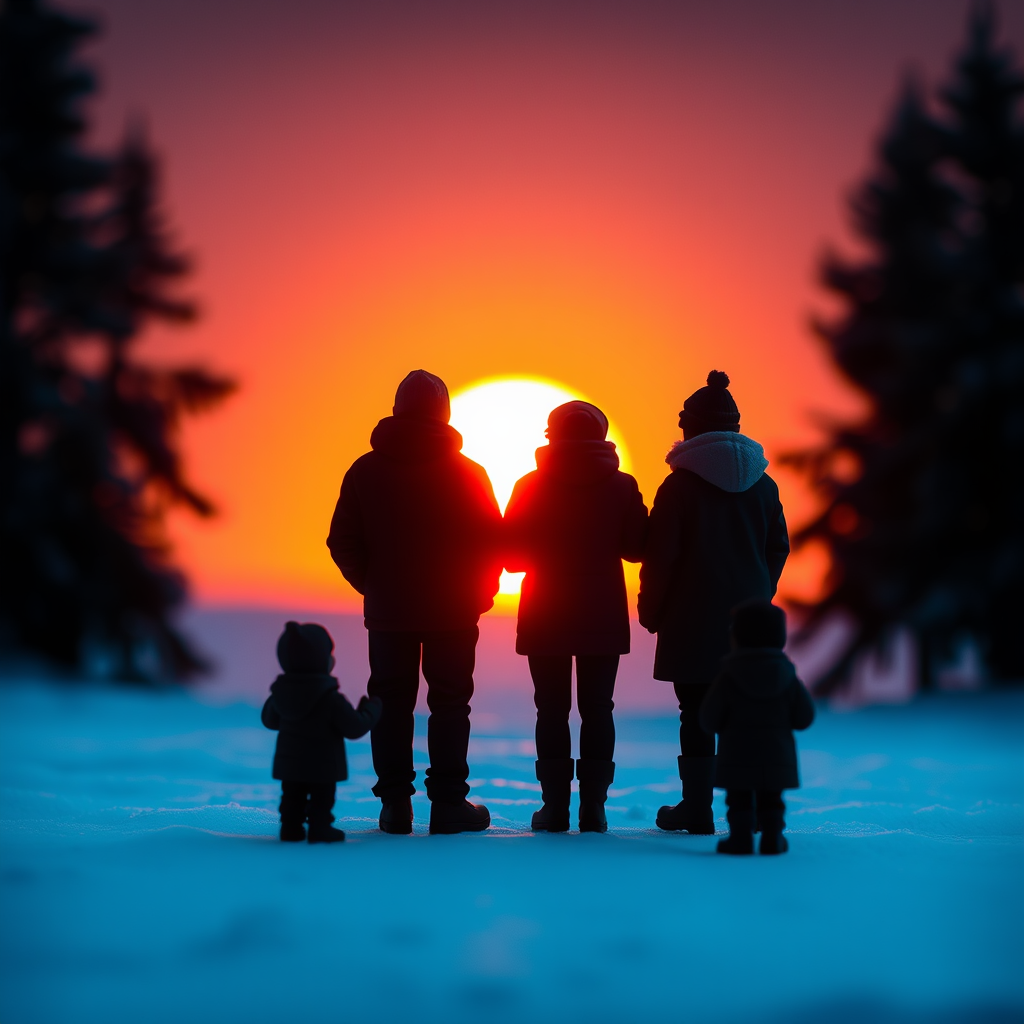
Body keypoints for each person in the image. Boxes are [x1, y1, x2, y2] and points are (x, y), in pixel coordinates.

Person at [327, 370, 503, 835]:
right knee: (450, 704)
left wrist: (376, 585)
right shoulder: (469, 473)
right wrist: (479, 594)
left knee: (389, 701)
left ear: (397, 408)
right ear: (444, 413)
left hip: (390, 612)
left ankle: (394, 807)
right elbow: (493, 542)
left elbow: (341, 540)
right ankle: (447, 805)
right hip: (454, 611)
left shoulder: (365, 469)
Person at [638, 370, 789, 835]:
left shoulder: (678, 487)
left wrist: (651, 609)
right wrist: (760, 597)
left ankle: (697, 807)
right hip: (748, 625)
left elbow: (660, 557)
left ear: (689, 429)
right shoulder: (765, 487)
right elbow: (778, 548)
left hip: (691, 622)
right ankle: (744, 808)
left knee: (697, 712)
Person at [504, 401, 648, 832]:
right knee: (598, 709)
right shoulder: (623, 486)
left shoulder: (530, 485)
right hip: (601, 612)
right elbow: (637, 549)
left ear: (552, 436)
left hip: (545, 610)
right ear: (602, 436)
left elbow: (510, 557)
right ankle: (594, 809)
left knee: (550, 709)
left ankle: (554, 808)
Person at [699, 601, 814, 854]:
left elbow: (708, 718)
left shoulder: (728, 676)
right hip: (777, 756)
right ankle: (773, 837)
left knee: (738, 799)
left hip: (737, 756)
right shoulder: (787, 676)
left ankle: (740, 838)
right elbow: (804, 717)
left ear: (737, 636)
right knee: (772, 799)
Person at [261, 621, 382, 844]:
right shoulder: (330, 698)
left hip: (291, 765)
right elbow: (354, 727)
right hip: (323, 765)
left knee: (291, 796)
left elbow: (269, 720)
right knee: (321, 799)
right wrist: (372, 709)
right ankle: (320, 827)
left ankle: (290, 827)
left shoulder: (280, 695)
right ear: (322, 660)